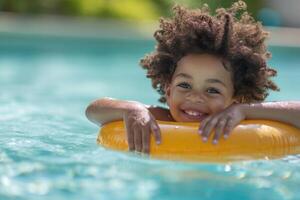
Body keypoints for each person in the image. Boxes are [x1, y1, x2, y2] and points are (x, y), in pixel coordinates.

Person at [86, 1, 300, 154]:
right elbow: (93, 110)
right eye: (185, 85)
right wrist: (131, 109)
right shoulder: (160, 117)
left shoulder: (243, 119)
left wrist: (244, 111)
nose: (195, 97)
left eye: (213, 90)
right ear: (168, 91)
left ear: (236, 99)